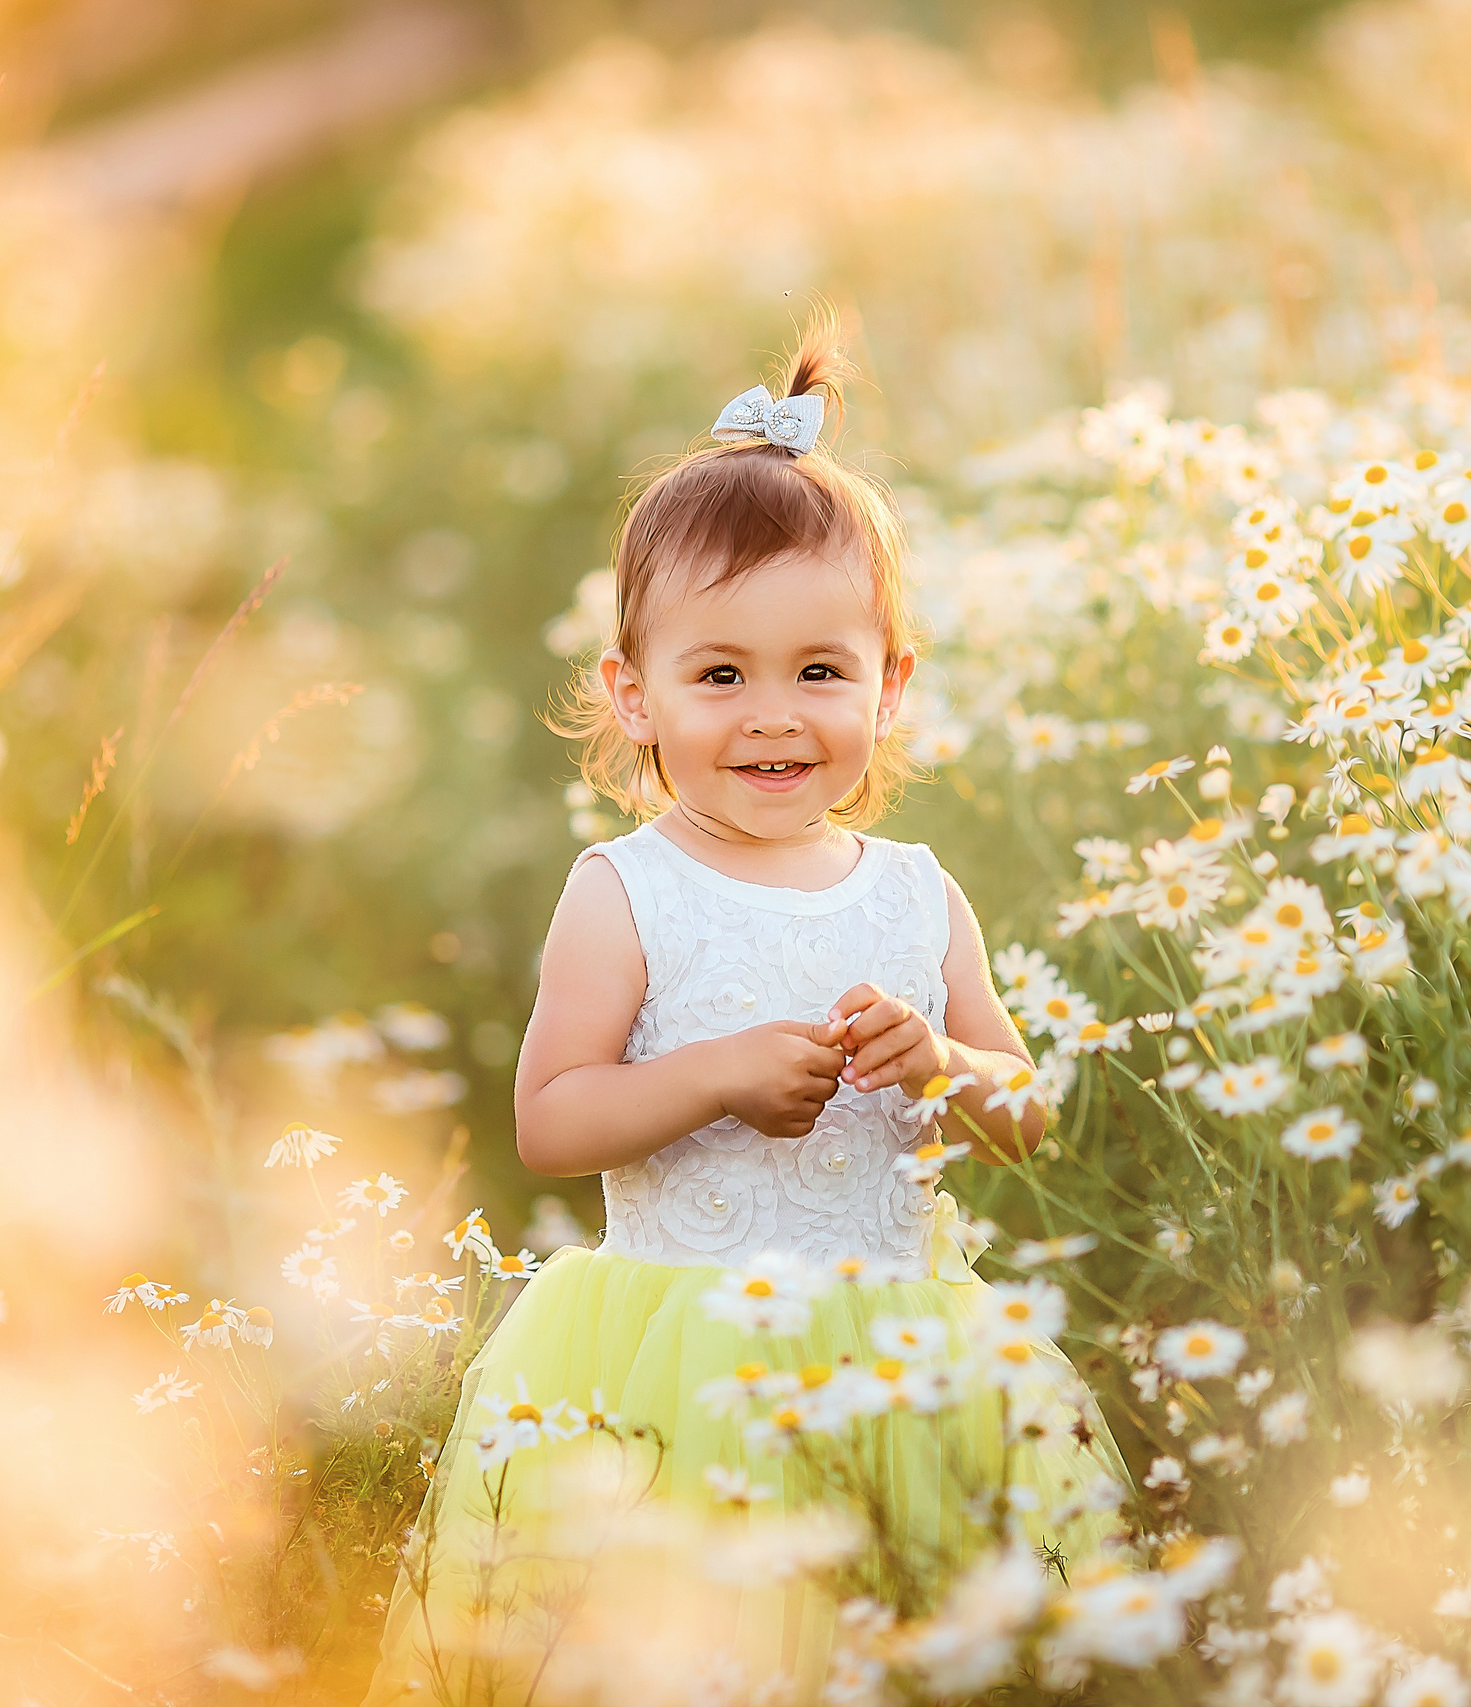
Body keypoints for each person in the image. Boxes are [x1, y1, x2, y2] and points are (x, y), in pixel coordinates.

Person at [362, 314, 1127, 1706]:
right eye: (720, 675)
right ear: (633, 696)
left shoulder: (914, 893)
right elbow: (552, 1120)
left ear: (891, 688)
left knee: (909, 1646)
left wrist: (944, 1063)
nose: (773, 715)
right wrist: (709, 1076)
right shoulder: (627, 893)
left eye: (819, 671)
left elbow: (1027, 1119)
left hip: (907, 1359)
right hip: (680, 1372)